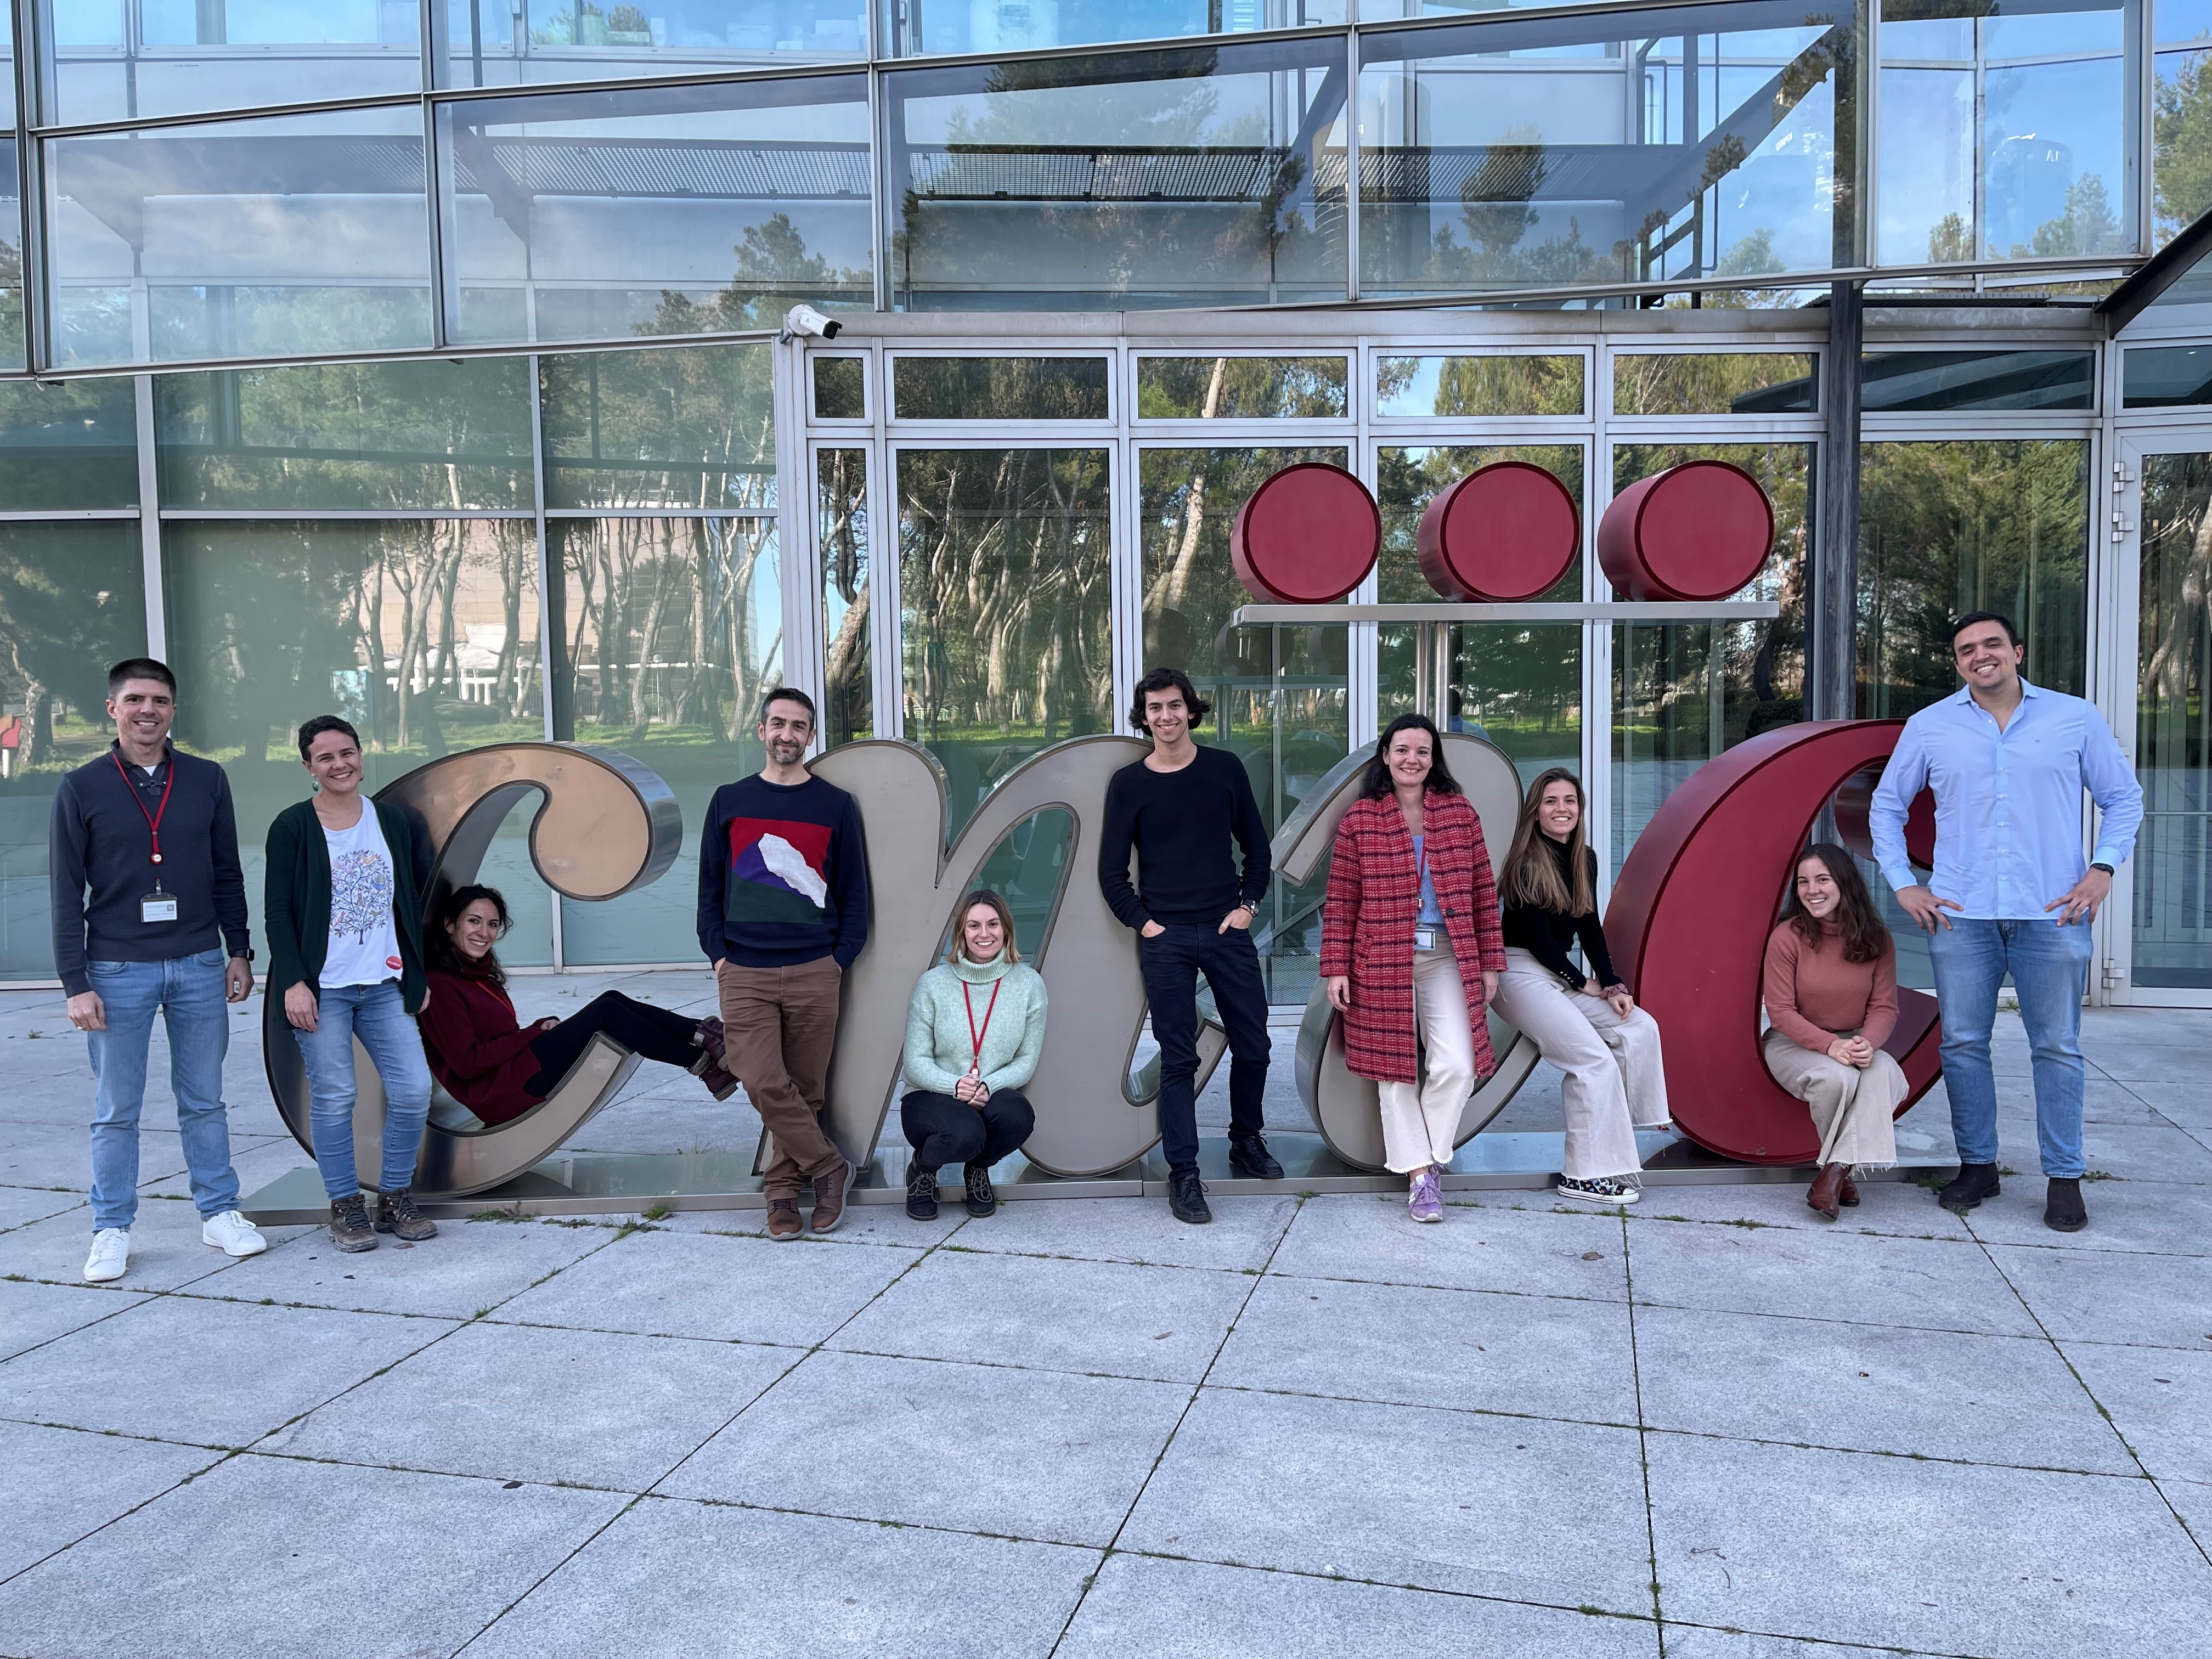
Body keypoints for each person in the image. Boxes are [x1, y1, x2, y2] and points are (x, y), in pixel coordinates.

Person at [1871, 611, 2142, 1233]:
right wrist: (1905, 884)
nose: (1980, 655)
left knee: (2057, 1047)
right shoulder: (1930, 726)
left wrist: (2102, 868)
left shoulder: (2074, 718)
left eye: (1992, 644)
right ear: (1958, 661)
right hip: (1962, 915)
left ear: (2017, 651)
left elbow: (2123, 797)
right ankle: (1978, 1166)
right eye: (1967, 649)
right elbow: (1887, 806)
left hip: (2053, 914)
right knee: (1963, 1045)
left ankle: (2065, 1178)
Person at [52, 658, 266, 1283]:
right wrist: (76, 981)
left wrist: (239, 950)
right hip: (116, 969)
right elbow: (67, 892)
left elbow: (227, 870)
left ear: (174, 710)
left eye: (161, 701)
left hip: (200, 961)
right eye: (136, 699)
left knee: (204, 1100)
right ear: (113, 709)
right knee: (116, 1107)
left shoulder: (206, 779)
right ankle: (111, 1227)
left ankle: (220, 1212)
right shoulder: (81, 786)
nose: (149, 710)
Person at [1099, 664, 1280, 1227]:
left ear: (1190, 710)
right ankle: (1184, 1174)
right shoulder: (1129, 784)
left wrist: (1247, 906)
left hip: (1226, 932)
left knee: (1254, 1045)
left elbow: (1257, 848)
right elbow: (1110, 872)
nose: (1166, 716)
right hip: (1167, 940)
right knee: (1178, 1058)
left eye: (1174, 705)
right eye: (1155, 708)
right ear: (1144, 716)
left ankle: (1246, 1140)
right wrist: (1146, 924)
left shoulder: (1224, 770)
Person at [1319, 714, 1506, 1223]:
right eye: (1402, 750)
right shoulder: (1361, 819)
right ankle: (1421, 1176)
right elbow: (1341, 901)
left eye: (1422, 751)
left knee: (1456, 1064)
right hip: (1380, 957)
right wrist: (1336, 966)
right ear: (1385, 756)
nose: (1412, 760)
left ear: (1433, 759)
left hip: (1447, 954)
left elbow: (1483, 896)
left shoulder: (1460, 814)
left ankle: (1431, 1153)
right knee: (1393, 1070)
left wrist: (1491, 963)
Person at [698, 686, 870, 1240]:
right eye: (777, 723)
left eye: (798, 726)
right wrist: (718, 954)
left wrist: (839, 959)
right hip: (744, 968)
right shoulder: (730, 800)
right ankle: (827, 1166)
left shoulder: (835, 804)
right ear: (761, 730)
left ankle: (780, 1194)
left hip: (815, 968)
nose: (786, 734)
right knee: (761, 1077)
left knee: (805, 1087)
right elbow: (709, 886)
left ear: (811, 735)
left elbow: (854, 892)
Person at [264, 715, 441, 1253]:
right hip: (324, 990)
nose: (339, 764)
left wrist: (417, 972)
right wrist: (295, 981)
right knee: (337, 1096)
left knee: (413, 1090)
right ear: (308, 767)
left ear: (362, 755)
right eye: (325, 757)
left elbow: (412, 904)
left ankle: (393, 1196)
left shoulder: (392, 820)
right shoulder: (293, 826)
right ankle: (344, 1205)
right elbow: (278, 913)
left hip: (384, 984)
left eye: (347, 752)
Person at [1489, 768, 1671, 1205]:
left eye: (1570, 801)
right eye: (1551, 801)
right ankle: (1584, 1175)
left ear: (1580, 809)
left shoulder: (1582, 858)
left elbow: (1588, 924)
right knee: (1593, 1061)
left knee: (1639, 1026)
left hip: (1558, 975)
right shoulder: (1524, 860)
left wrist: (1612, 984)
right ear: (1535, 811)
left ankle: (1624, 1127)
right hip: (1518, 972)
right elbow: (1535, 938)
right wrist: (1580, 981)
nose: (1561, 809)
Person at [417, 884, 739, 1125]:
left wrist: (535, 1032)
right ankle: (705, 1057)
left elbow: (497, 1037)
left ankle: (706, 1036)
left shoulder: (476, 974)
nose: (484, 933)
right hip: (499, 1093)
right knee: (607, 1012)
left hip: (513, 1073)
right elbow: (468, 1063)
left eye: (492, 924)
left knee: (611, 1000)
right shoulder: (442, 987)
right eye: (474, 921)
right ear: (450, 925)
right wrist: (532, 1035)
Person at [1762, 844, 1906, 1220]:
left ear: (1844, 883)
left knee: (1886, 1073)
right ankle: (1843, 1173)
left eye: (1823, 880)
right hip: (1792, 1042)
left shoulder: (1877, 938)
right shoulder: (1787, 936)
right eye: (1804, 882)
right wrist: (1830, 1046)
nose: (1813, 890)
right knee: (1836, 1080)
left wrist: (1866, 1043)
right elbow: (1780, 1012)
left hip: (1854, 1038)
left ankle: (1835, 1172)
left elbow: (1884, 1007)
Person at [899, 889, 1045, 1221]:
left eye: (993, 924)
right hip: (931, 1095)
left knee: (1018, 1116)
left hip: (988, 1092)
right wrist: (955, 1086)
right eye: (973, 926)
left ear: (1006, 929)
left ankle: (978, 1170)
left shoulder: (1029, 984)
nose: (984, 934)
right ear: (961, 933)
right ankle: (922, 1171)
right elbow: (915, 1061)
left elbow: (1026, 1059)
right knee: (965, 1133)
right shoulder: (932, 984)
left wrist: (988, 1087)